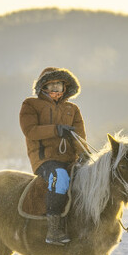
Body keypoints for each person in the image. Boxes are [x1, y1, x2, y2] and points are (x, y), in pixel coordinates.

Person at [20, 67, 86, 244]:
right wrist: (56, 130)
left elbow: (80, 137)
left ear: (66, 88)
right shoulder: (30, 105)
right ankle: (54, 230)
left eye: (59, 85)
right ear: (43, 87)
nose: (56, 89)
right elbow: (30, 130)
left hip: (69, 159)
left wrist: (84, 155)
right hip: (45, 158)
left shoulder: (72, 109)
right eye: (52, 85)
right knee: (60, 178)